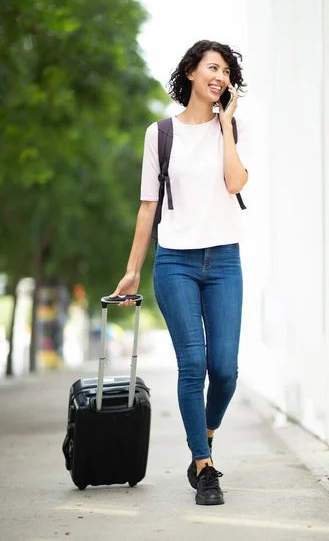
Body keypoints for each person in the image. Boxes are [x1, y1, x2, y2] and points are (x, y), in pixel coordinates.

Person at [111, 40, 249, 506]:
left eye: (227, 71)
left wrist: (226, 124)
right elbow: (148, 206)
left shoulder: (228, 129)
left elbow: (235, 182)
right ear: (191, 72)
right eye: (213, 67)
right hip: (176, 263)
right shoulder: (161, 133)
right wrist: (133, 270)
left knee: (224, 370)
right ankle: (205, 469)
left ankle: (203, 439)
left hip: (224, 261)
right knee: (193, 365)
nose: (221, 76)